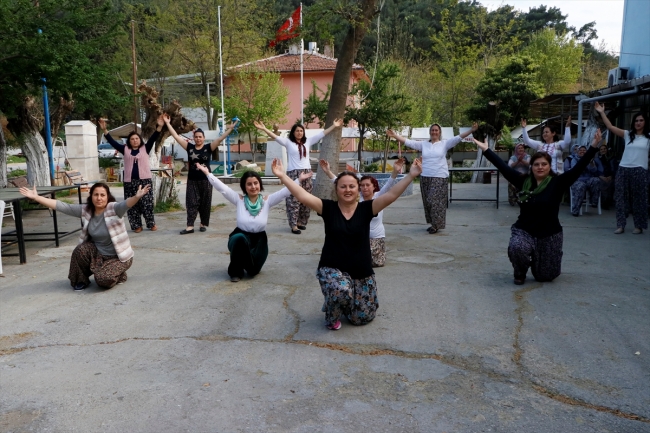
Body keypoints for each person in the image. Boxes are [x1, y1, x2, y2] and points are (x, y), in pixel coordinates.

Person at [271, 157, 423, 330]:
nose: (347, 189)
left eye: (352, 186)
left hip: (361, 272)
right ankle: (332, 312)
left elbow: (392, 195)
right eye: (343, 186)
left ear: (358, 189)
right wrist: (283, 176)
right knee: (340, 289)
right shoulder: (327, 208)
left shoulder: (368, 208)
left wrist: (411, 175)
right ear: (336, 189)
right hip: (332, 269)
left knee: (361, 318)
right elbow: (302, 195)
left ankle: (338, 301)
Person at [473, 129, 603, 285]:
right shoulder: (523, 181)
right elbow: (503, 168)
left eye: (544, 164)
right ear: (531, 167)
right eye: (536, 164)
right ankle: (520, 271)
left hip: (549, 234)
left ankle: (538, 259)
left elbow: (578, 168)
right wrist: (486, 150)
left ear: (549, 166)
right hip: (525, 230)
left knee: (546, 276)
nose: (540, 167)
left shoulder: (558, 183)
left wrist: (594, 146)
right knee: (517, 247)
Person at [19, 182, 151, 291]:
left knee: (102, 280)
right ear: (91, 196)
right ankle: (81, 280)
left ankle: (120, 275)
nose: (99, 198)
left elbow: (127, 203)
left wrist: (137, 196)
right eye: (96, 195)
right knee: (80, 249)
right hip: (99, 255)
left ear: (107, 197)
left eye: (102, 195)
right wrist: (36, 197)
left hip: (119, 257)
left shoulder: (114, 209)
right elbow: (63, 206)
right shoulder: (86, 210)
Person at [195, 163, 312, 282]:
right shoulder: (239, 199)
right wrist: (207, 173)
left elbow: (285, 192)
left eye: (256, 183)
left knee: (253, 272)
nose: (253, 186)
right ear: (244, 186)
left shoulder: (267, 201)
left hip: (259, 240)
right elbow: (222, 188)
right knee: (239, 238)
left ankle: (248, 265)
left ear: (260, 185)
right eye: (249, 184)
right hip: (240, 237)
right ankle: (236, 271)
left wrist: (298, 180)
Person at [254, 119, 343, 234]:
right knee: (292, 200)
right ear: (293, 132)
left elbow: (322, 133)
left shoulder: (308, 141)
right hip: (293, 173)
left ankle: (301, 222)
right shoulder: (288, 142)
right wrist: (264, 128)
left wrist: (334, 126)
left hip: (307, 173)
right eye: (297, 131)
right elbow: (274, 137)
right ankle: (294, 225)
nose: (299, 133)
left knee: (307, 199)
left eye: (301, 131)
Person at [387, 123, 478, 234]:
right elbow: (408, 142)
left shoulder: (444, 144)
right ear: (430, 132)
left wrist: (471, 130)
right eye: (432, 130)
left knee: (433, 200)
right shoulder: (424, 144)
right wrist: (395, 135)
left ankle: (436, 225)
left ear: (439, 132)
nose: (434, 132)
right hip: (425, 176)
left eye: (436, 130)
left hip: (439, 176)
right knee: (427, 202)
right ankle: (433, 224)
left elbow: (459, 137)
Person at [319, 158, 405, 267]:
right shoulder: (357, 199)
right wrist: (327, 171)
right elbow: (339, 182)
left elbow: (389, 185)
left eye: (367, 185)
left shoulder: (378, 198)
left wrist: (395, 171)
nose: (364, 188)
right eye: (362, 185)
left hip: (376, 238)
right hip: (359, 238)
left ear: (374, 187)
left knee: (373, 262)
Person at [163, 114, 237, 234]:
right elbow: (176, 136)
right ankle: (190, 226)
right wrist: (167, 123)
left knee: (205, 203)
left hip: (206, 180)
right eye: (196, 137)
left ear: (204, 138)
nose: (198, 139)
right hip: (192, 180)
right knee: (191, 202)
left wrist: (230, 129)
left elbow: (220, 139)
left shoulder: (209, 147)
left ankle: (203, 223)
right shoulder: (189, 147)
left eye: (200, 137)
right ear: (194, 138)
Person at [98, 117, 163, 233]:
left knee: (147, 204)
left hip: (145, 181)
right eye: (132, 139)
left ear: (140, 140)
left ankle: (150, 223)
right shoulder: (125, 149)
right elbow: (112, 142)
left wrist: (159, 127)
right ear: (129, 141)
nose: (135, 140)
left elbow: (153, 138)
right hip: (130, 182)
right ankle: (136, 225)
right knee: (131, 204)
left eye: (137, 138)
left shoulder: (145, 148)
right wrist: (105, 130)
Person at [595, 103, 650, 234]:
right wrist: (602, 112)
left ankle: (638, 226)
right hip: (623, 169)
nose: (638, 122)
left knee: (639, 199)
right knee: (620, 198)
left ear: (645, 122)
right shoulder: (628, 134)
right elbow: (610, 126)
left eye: (641, 120)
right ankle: (620, 225)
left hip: (640, 170)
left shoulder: (648, 137)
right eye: (636, 120)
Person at [567, 145, 603, 216]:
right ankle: (575, 210)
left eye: (584, 150)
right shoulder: (574, 159)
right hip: (578, 180)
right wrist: (584, 162)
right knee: (581, 186)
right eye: (581, 150)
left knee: (596, 180)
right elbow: (575, 170)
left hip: (588, 179)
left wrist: (591, 164)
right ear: (577, 152)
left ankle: (594, 202)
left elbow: (594, 171)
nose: (582, 151)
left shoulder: (590, 160)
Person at [597, 144, 616, 209]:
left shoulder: (612, 158)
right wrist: (601, 177)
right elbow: (595, 170)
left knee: (611, 184)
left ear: (607, 149)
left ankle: (608, 201)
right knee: (603, 184)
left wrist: (611, 176)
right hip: (601, 176)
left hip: (610, 176)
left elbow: (614, 168)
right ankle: (603, 202)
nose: (603, 150)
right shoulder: (597, 159)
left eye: (604, 149)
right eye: (601, 149)